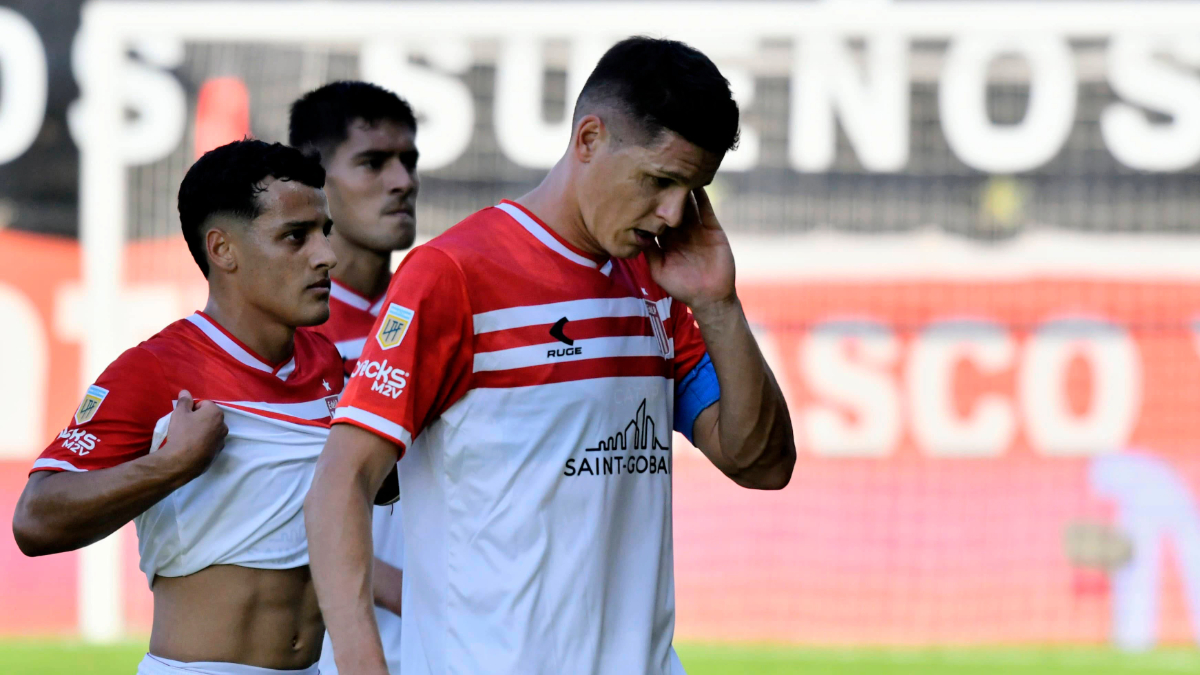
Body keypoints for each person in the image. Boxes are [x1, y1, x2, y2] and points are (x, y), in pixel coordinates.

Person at [305, 36, 797, 675]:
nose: (674, 212)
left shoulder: (660, 280)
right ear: (588, 139)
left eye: (694, 188)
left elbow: (762, 464)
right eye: (659, 180)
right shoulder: (455, 274)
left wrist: (719, 306)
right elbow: (339, 484)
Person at [12, 140, 343, 675]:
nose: (326, 255)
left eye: (324, 233)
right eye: (295, 236)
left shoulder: (327, 363)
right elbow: (35, 520)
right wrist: (170, 464)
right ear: (223, 249)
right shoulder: (154, 370)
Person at [289, 80, 419, 675]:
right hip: (330, 652)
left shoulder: (442, 311)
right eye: (373, 162)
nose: (403, 181)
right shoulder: (282, 334)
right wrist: (409, 590)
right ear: (316, 180)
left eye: (408, 161)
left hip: (457, 639)